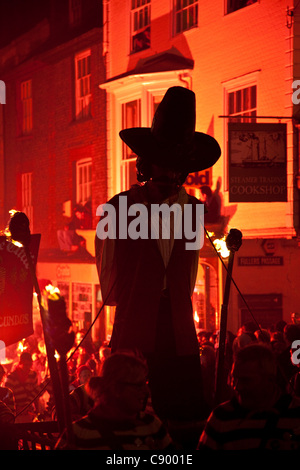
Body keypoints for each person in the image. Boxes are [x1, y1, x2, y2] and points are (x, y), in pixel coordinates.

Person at [95, 86, 221, 422]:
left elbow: (188, 274)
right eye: (162, 165)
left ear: (183, 169)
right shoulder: (117, 209)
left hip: (179, 334)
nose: (168, 174)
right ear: (147, 164)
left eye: (176, 167)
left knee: (184, 418)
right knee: (125, 416)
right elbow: (109, 285)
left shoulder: (193, 211)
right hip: (133, 332)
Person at [57, 351, 174, 450]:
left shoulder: (152, 426)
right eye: (138, 385)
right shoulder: (78, 434)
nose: (146, 391)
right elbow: (59, 409)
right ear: (116, 388)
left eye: (145, 384)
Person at [198, 344, 300, 450]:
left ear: (270, 380)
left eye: (245, 380)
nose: (237, 386)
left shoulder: (297, 412)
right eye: (234, 379)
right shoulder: (221, 416)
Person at [5, 351, 40, 422]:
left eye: (29, 365)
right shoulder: (11, 377)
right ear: (20, 363)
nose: (28, 368)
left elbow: (35, 393)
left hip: (29, 411)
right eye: (26, 365)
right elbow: (7, 397)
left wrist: (37, 411)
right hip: (17, 413)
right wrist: (16, 409)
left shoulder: (33, 375)